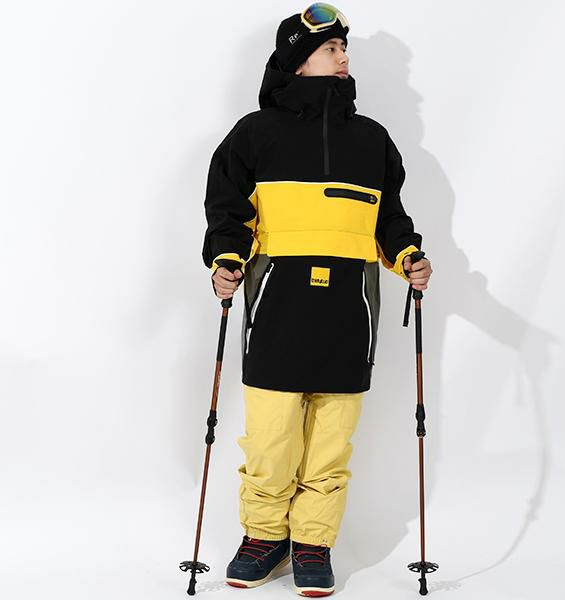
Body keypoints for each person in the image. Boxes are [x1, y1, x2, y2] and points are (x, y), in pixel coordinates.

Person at [201, 3, 433, 596]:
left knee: (331, 440)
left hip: (350, 312)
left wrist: (408, 255)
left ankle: (312, 542)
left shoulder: (372, 139)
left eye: (343, 48)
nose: (343, 57)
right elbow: (228, 209)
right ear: (298, 61)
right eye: (331, 49)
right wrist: (226, 260)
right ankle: (264, 536)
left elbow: (390, 218)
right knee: (271, 438)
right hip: (275, 308)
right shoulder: (255, 133)